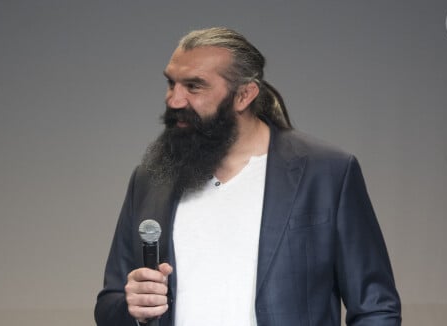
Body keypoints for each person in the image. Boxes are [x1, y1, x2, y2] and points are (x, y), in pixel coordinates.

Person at [94, 27, 401, 326]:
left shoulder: (326, 173)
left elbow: (376, 307)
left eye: (194, 86)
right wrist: (131, 307)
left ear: (244, 95)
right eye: (171, 83)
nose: (174, 100)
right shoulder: (151, 180)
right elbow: (109, 305)